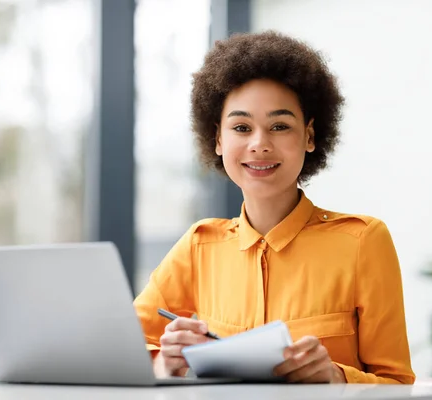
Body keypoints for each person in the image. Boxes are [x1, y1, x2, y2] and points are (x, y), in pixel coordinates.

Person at [133, 30, 415, 385]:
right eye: (241, 127)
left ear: (310, 137)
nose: (259, 144)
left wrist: (336, 376)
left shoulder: (363, 242)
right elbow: (123, 351)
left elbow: (398, 384)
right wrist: (164, 364)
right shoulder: (198, 246)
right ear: (218, 139)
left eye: (279, 126)